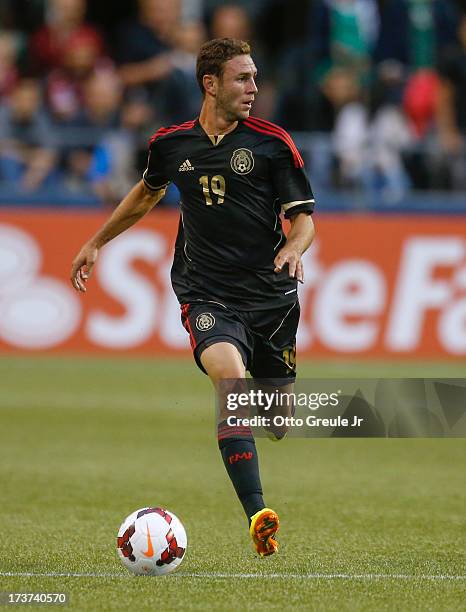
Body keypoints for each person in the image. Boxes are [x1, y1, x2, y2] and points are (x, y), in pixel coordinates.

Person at [70, 38, 315, 557]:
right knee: (231, 382)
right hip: (206, 293)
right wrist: (97, 241)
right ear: (211, 84)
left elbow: (305, 219)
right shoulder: (170, 144)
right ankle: (258, 515)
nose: (254, 88)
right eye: (242, 79)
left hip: (271, 299)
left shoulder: (272, 143)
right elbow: (148, 191)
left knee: (277, 420)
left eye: (254, 77)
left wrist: (294, 248)